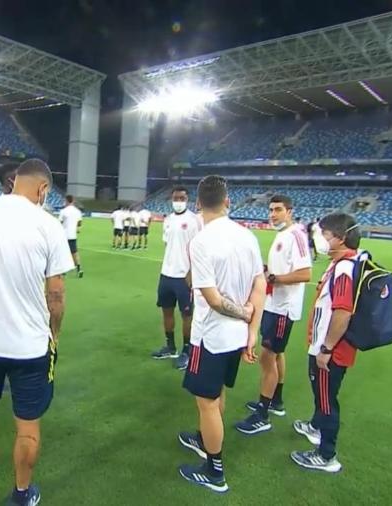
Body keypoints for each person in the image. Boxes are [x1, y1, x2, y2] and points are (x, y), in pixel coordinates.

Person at [0, 159, 74, 505]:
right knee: (27, 424)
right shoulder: (47, 225)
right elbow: (57, 295)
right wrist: (55, 334)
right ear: (43, 189)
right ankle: (22, 494)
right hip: (31, 346)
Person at [176, 175, 266, 493]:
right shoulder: (248, 236)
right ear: (228, 202)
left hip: (211, 336)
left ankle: (214, 470)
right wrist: (252, 330)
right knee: (215, 396)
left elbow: (212, 299)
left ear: (198, 203)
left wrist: (243, 314)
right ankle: (203, 438)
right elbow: (260, 284)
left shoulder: (201, 242)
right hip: (237, 336)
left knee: (208, 404)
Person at [291, 213, 362, 473]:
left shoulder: (344, 268)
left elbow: (343, 312)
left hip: (330, 350)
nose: (319, 239)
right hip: (328, 347)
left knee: (326, 400)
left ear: (341, 239)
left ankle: (326, 454)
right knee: (322, 394)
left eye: (325, 235)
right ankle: (315, 426)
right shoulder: (343, 262)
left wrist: (326, 349)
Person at [237, 195, 311, 434]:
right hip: (273, 304)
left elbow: (305, 274)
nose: (273, 214)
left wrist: (274, 278)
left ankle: (262, 413)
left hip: (283, 308)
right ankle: (275, 401)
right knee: (277, 353)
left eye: (278, 210)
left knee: (267, 356)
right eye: (270, 210)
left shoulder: (297, 235)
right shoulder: (283, 235)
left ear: (289, 211)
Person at [152, 187, 202, 370]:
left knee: (187, 314)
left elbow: (199, 248)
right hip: (167, 273)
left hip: (184, 276)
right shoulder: (168, 220)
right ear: (171, 199)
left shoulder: (194, 220)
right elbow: (168, 244)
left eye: (182, 198)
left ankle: (187, 351)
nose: (179, 201)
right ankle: (170, 346)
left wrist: (192, 272)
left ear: (187, 199)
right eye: (176, 198)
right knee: (166, 311)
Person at [59, 195, 85, 278]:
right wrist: (77, 228)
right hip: (73, 235)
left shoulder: (63, 211)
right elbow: (80, 222)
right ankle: (79, 269)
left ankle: (63, 270)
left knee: (62, 252)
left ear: (66, 201)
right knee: (74, 252)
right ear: (73, 201)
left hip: (64, 235)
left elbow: (60, 222)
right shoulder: (77, 211)